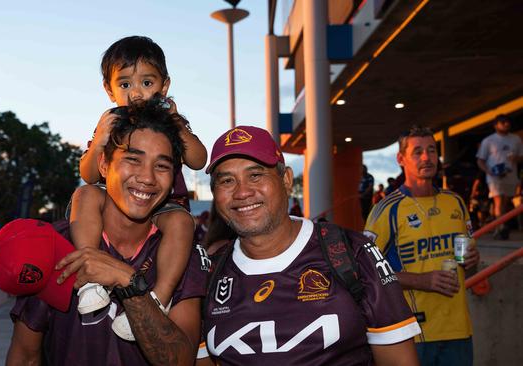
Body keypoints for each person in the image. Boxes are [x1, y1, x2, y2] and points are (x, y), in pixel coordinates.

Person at [3, 101, 208, 365]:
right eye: (133, 159)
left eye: (162, 166)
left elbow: (179, 360)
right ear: (103, 165)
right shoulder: (55, 245)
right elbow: (25, 356)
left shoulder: (179, 252)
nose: (147, 177)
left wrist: (129, 282)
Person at [197, 126, 420, 365]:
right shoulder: (206, 275)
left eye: (256, 175)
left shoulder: (352, 253)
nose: (242, 192)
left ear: (286, 179)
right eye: (227, 180)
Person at [70, 35, 207, 340]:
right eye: (125, 84)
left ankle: (159, 297)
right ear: (109, 89)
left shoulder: (169, 120)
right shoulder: (111, 121)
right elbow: (89, 173)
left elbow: (199, 160)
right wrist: (100, 141)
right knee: (85, 194)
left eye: (147, 83)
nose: (136, 94)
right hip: (118, 202)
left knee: (182, 221)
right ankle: (90, 272)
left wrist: (178, 124)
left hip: (165, 203)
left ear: (165, 86)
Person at [364, 125, 480, 366]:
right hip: (411, 333)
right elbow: (365, 272)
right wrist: (421, 281)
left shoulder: (455, 203)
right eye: (417, 152)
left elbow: (469, 268)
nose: (427, 157)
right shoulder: (386, 210)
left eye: (431, 150)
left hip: (458, 330)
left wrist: (472, 261)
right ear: (401, 159)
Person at [476, 113, 523, 239]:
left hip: (510, 175)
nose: (506, 124)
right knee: (498, 200)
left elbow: (521, 157)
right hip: (494, 176)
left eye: (507, 121)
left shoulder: (516, 139)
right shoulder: (488, 140)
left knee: (506, 202)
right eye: (502, 122)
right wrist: (489, 171)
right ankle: (501, 228)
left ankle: (501, 226)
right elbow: (480, 160)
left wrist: (516, 158)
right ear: (495, 125)